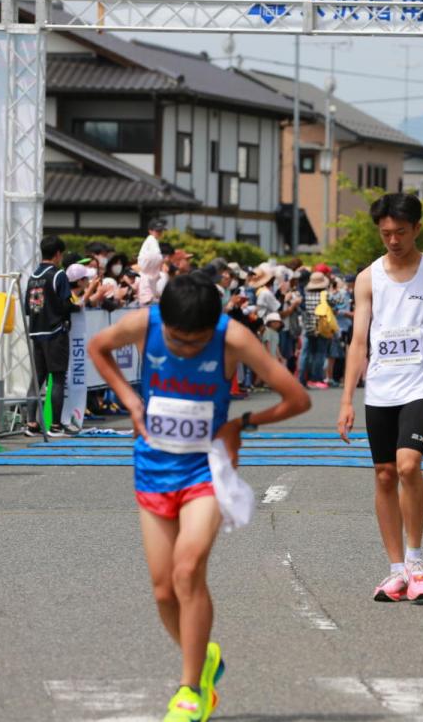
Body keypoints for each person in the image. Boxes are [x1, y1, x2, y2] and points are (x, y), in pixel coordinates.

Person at [89, 273, 310, 722]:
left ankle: (190, 689)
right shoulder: (144, 323)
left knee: (188, 569)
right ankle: (204, 657)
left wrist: (241, 423)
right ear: (162, 322)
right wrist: (130, 400)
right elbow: (98, 348)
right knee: (163, 589)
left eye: (197, 342)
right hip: (152, 469)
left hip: (204, 471)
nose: (187, 349)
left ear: (215, 328)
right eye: (177, 341)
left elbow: (297, 397)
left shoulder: (235, 338)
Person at [337, 192, 423, 603]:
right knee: (384, 475)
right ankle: (395, 570)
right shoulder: (367, 278)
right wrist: (345, 401)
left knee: (409, 466)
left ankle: (415, 561)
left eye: (401, 232)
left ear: (417, 229)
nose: (393, 240)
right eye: (386, 233)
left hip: (419, 386)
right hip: (380, 388)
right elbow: (358, 341)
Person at [26, 235, 82, 437]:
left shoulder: (33, 276)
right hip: (55, 331)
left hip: (36, 331)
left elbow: (28, 308)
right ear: (58, 254)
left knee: (37, 378)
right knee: (57, 378)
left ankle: (31, 423)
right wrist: (76, 307)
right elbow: (66, 303)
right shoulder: (57, 275)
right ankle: (55, 425)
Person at [300, 266, 334, 389]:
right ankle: (316, 378)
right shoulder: (325, 294)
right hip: (322, 327)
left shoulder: (306, 294)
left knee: (306, 354)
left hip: (308, 326)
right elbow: (337, 302)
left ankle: (302, 379)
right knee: (320, 353)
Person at [137, 218, 167, 305]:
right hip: (146, 278)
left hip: (149, 278)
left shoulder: (153, 241)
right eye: (157, 230)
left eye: (161, 230)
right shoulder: (151, 240)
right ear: (150, 231)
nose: (159, 232)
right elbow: (156, 257)